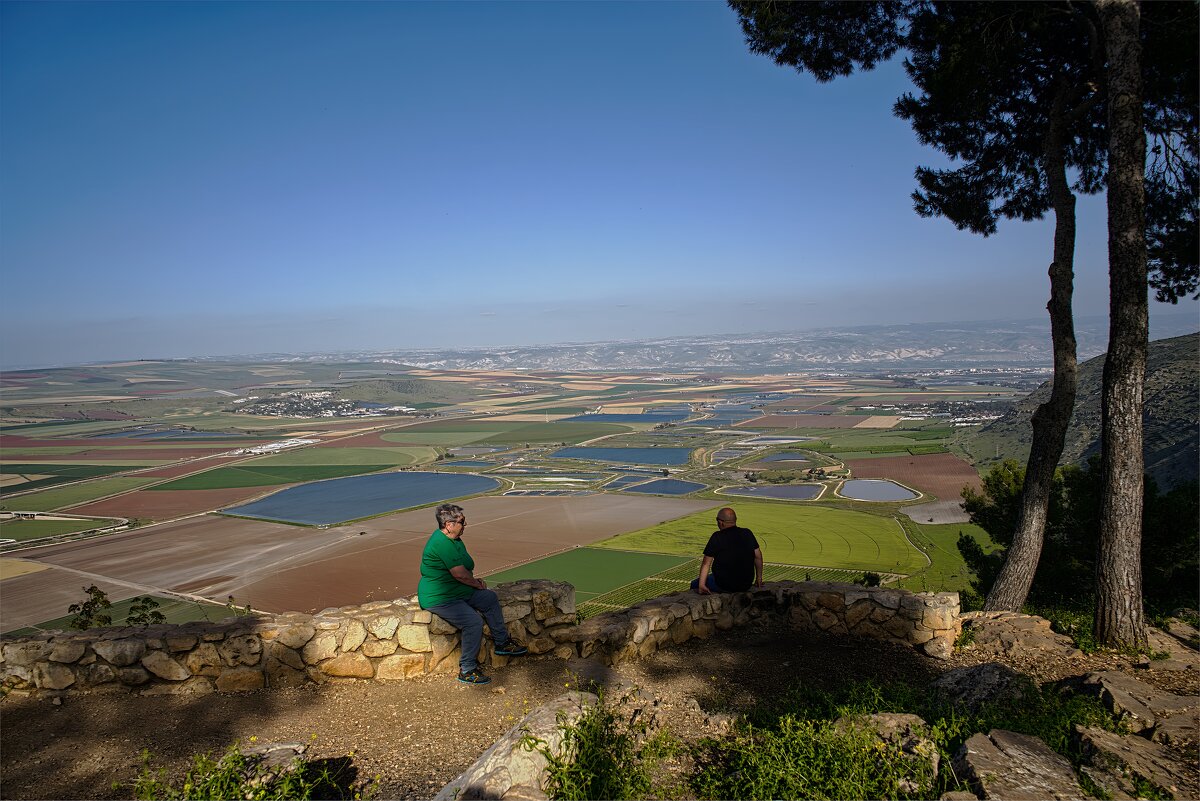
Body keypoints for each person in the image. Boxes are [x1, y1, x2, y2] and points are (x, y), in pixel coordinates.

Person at [417, 503, 527, 685]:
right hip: (440, 598)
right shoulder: (441, 543)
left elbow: (463, 570)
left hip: (458, 591)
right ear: (449, 524)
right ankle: (467, 669)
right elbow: (459, 573)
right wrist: (475, 583)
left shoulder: (455, 540)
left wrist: (475, 583)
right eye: (461, 521)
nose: (465, 525)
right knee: (472, 621)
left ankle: (502, 643)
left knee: (490, 598)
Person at [691, 507, 763, 594]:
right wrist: (759, 578)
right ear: (735, 520)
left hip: (724, 585)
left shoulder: (717, 537)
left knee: (694, 584)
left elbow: (706, 563)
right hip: (746, 584)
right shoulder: (747, 533)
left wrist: (701, 585)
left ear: (720, 522)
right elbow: (758, 556)